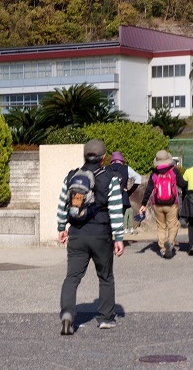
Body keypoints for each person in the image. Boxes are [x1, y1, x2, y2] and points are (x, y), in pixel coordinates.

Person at [57, 139, 124, 335]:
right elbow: (115, 209)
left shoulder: (72, 176)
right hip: (101, 234)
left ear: (84, 156)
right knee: (105, 276)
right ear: (104, 158)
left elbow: (62, 204)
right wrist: (118, 237)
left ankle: (67, 315)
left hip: (77, 233)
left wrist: (62, 227)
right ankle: (105, 318)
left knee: (72, 277)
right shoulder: (110, 177)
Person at [139, 150, 187, 259]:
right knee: (173, 225)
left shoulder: (154, 173)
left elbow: (148, 190)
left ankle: (163, 249)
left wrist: (143, 204)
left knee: (161, 227)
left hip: (157, 204)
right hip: (172, 203)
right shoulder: (173, 171)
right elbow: (183, 184)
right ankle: (170, 242)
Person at [107, 151, 142, 234]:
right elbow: (138, 178)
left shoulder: (106, 169)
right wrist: (130, 191)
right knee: (125, 212)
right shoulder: (126, 168)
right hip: (123, 196)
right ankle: (124, 230)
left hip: (109, 196)